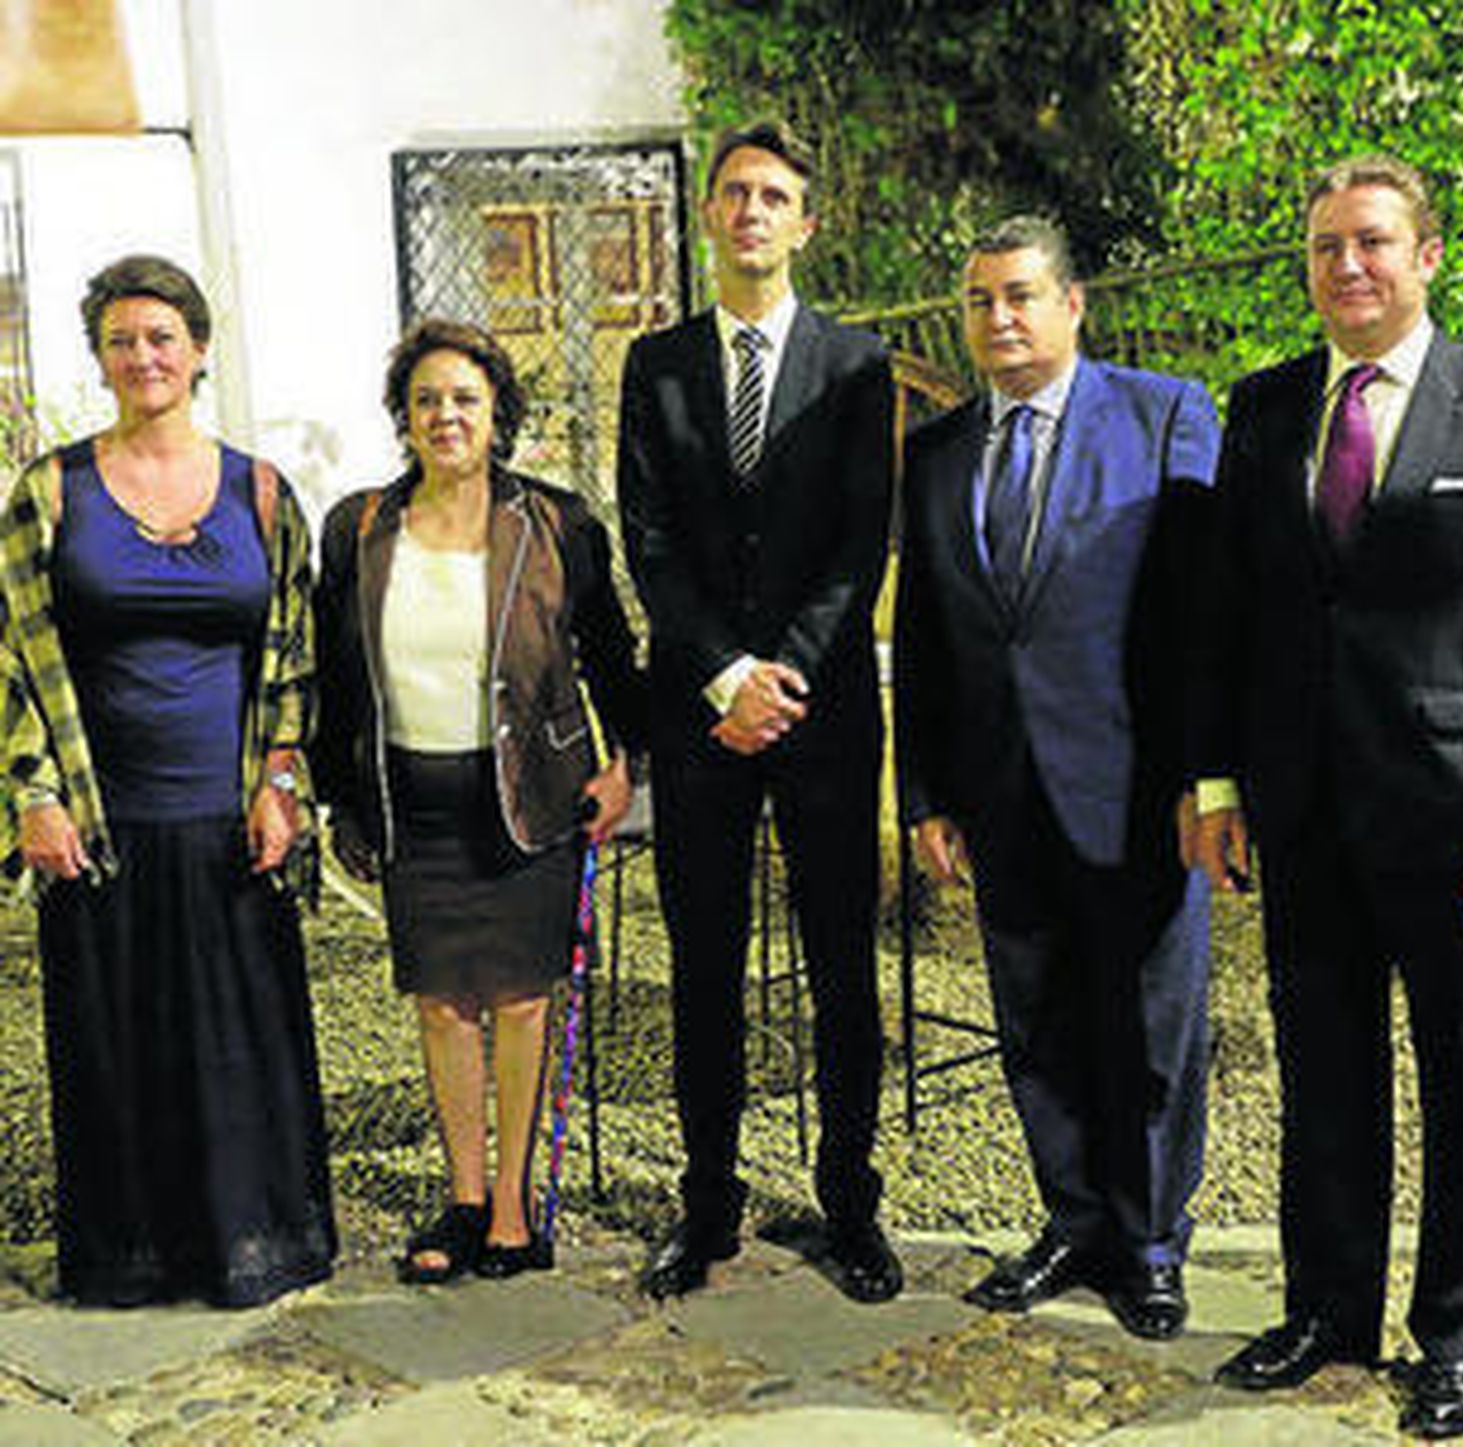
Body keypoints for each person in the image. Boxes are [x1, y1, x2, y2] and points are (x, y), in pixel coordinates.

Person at [1192, 155, 1463, 1439]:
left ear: (1425, 257)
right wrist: (1215, 783)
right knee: (1322, 1071)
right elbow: (1229, 619)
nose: (1346, 266)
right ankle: (1326, 1308)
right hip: (1303, 811)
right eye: (1324, 247)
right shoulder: (1260, 413)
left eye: (1371, 242)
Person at [894, 216, 1219, 1340]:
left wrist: (1203, 779)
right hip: (999, 789)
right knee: (1033, 1019)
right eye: (980, 300)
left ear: (1072, 304)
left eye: (1021, 296)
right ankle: (1074, 1221)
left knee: (1152, 1024)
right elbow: (931, 635)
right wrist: (926, 794)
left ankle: (1151, 1242)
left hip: (1136, 784)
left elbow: (1197, 615)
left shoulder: (1163, 414)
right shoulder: (936, 454)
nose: (999, 319)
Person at [0, 254, 335, 1307]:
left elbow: (292, 655)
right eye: (121, 340)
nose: (143, 356)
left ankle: (257, 1242)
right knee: (116, 1047)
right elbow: (8, 651)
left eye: (161, 337)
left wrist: (281, 781)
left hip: (232, 820)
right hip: (101, 827)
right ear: (99, 359)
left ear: (196, 350)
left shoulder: (264, 492)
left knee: (241, 1050)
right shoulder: (52, 490)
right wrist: (32, 795)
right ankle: (130, 1257)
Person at [618, 121, 899, 1303]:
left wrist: (782, 672)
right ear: (709, 213)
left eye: (773, 195)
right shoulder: (659, 364)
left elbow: (856, 541)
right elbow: (650, 539)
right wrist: (727, 676)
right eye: (733, 192)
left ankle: (850, 1203)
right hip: (702, 718)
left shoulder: (854, 365)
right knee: (705, 968)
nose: (749, 211)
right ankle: (707, 1202)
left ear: (804, 223)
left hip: (823, 714)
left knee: (843, 965)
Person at [314, 318, 643, 1283]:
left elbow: (612, 656)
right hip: (413, 799)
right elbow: (338, 678)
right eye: (426, 401)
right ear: (403, 419)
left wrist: (628, 761)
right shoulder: (362, 525)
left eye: (464, 397)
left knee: (521, 1000)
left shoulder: (557, 522)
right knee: (444, 1006)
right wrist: (338, 799)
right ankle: (463, 1196)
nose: (445, 415)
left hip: (530, 795)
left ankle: (515, 1203)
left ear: (497, 412)